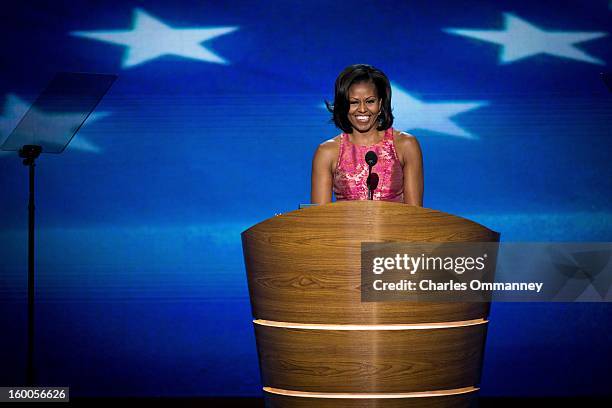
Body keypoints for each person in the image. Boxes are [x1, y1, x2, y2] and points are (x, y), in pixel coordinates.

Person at [311, 64, 424, 206]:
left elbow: (415, 216)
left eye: (370, 101)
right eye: (354, 102)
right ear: (343, 106)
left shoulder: (406, 145)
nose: (362, 109)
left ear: (381, 103)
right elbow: (319, 219)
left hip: (397, 228)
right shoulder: (327, 152)